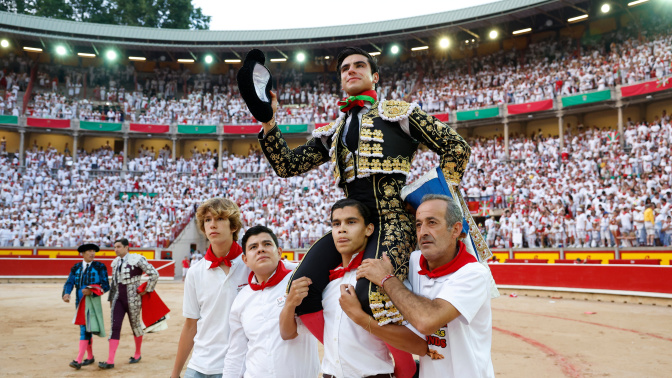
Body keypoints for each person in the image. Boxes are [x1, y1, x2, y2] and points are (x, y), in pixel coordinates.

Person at [255, 46, 483, 329]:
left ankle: (403, 370)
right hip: (351, 223)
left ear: (375, 76)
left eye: (359, 65)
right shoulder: (333, 131)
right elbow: (286, 166)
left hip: (393, 221)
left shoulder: (399, 113)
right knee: (300, 291)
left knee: (373, 296)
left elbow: (455, 147)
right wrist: (269, 122)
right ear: (340, 80)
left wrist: (433, 195)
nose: (351, 70)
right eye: (345, 68)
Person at [280, 199, 427, 378]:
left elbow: (415, 342)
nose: (342, 229)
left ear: (369, 229)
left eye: (351, 222)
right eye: (336, 224)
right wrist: (289, 303)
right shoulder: (326, 285)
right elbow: (287, 333)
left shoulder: (384, 279)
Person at [357, 194, 494, 377]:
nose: (423, 232)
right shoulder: (414, 261)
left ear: (455, 230)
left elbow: (427, 321)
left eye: (432, 222)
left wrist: (386, 279)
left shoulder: (473, 274)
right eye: (419, 224)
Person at [223, 225, 319, 378]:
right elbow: (236, 354)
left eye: (267, 244)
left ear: (279, 252)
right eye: (253, 247)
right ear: (245, 259)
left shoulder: (300, 282)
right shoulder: (241, 300)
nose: (261, 249)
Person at [170, 198, 251, 378]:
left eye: (219, 219)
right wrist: (175, 374)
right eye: (207, 220)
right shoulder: (194, 272)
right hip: (198, 365)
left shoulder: (252, 266)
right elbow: (190, 325)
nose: (212, 224)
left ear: (233, 226)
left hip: (236, 366)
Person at [99, 238, 159, 369]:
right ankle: (110, 360)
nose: (116, 249)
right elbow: (114, 284)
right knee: (115, 327)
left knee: (135, 326)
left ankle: (137, 354)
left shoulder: (137, 259)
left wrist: (146, 290)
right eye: (115, 247)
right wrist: (111, 300)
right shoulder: (115, 263)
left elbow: (154, 274)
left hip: (133, 298)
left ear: (127, 247)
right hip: (118, 299)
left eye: (119, 246)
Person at [62, 243, 110, 370]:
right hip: (79, 302)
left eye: (94, 251)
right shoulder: (76, 267)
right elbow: (69, 282)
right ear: (82, 253)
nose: (92, 253)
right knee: (86, 328)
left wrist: (92, 291)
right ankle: (89, 357)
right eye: (89, 251)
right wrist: (66, 293)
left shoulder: (100, 266)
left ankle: (78, 359)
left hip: (92, 301)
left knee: (85, 329)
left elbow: (105, 285)